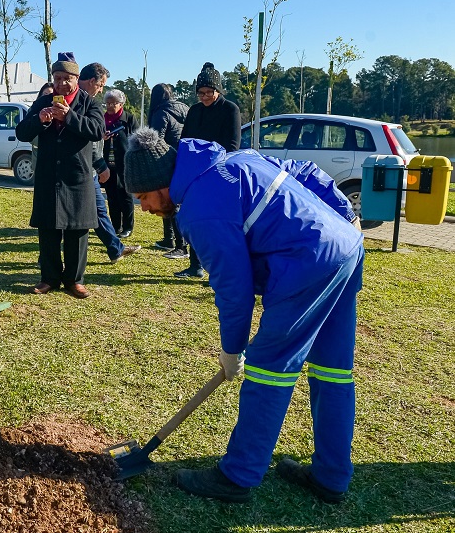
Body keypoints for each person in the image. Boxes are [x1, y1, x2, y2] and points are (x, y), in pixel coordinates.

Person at [124, 127, 364, 504]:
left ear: (162, 185)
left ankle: (238, 476)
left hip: (304, 264)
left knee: (269, 366)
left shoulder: (201, 212)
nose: (145, 208)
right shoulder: (237, 158)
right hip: (346, 246)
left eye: (143, 197)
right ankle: (331, 475)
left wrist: (232, 350)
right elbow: (303, 170)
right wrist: (345, 214)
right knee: (332, 369)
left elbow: (234, 290)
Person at [16, 52, 103, 299]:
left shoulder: (90, 103)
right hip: (48, 173)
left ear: (77, 79)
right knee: (48, 228)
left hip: (77, 175)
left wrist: (69, 117)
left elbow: (97, 130)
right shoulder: (44, 101)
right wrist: (40, 120)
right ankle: (49, 277)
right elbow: (22, 131)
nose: (62, 83)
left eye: (67, 78)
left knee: (77, 230)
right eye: (57, 78)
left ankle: (75, 280)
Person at [176, 63, 242, 278]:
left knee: (216, 226)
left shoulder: (230, 109)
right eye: (200, 93)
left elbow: (232, 145)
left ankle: (218, 270)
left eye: (208, 92)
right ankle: (195, 265)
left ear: (218, 91)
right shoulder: (194, 111)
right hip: (194, 174)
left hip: (218, 172)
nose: (204, 97)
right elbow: (185, 140)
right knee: (195, 221)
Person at [78, 63, 141, 263]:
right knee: (82, 213)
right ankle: (48, 257)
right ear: (91, 81)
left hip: (94, 167)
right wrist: (100, 163)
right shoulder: (79, 102)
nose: (101, 90)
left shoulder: (90, 102)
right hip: (81, 166)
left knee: (99, 208)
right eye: (101, 85)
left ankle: (115, 248)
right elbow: (84, 139)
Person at [148, 83, 189, 258]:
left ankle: (180, 245)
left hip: (166, 161)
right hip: (183, 159)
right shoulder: (184, 109)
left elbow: (156, 140)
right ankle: (169, 239)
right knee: (172, 200)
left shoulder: (161, 113)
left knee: (170, 202)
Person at [101, 88, 137, 238]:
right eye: (108, 103)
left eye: (113, 103)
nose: (110, 106)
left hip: (125, 163)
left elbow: (136, 139)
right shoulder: (101, 119)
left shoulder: (128, 118)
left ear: (121, 104)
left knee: (125, 195)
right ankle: (116, 226)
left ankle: (128, 227)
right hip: (107, 164)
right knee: (112, 196)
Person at [29, 81, 54, 173]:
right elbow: (29, 134)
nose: (47, 97)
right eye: (45, 94)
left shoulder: (58, 112)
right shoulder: (33, 110)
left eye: (50, 94)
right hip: (39, 160)